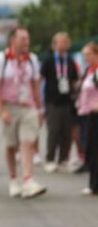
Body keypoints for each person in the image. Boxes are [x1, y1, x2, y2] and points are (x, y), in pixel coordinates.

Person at [0, 26, 46, 199]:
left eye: (27, 39)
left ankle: (28, 180)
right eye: (23, 39)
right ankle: (13, 180)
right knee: (11, 145)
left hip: (27, 106)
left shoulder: (32, 60)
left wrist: (39, 108)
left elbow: (36, 85)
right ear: (12, 40)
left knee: (28, 141)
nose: (26, 42)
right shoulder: (1, 59)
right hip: (9, 106)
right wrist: (1, 109)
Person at [41, 31, 80, 173]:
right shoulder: (49, 60)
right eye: (60, 42)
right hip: (52, 100)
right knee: (54, 129)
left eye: (65, 42)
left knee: (66, 130)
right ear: (54, 45)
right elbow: (40, 78)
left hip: (67, 100)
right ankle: (50, 158)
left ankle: (63, 158)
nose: (63, 45)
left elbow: (75, 79)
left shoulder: (70, 61)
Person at [77, 42, 98, 194]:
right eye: (84, 55)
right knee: (90, 148)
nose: (86, 58)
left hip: (95, 114)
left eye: (89, 54)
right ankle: (93, 184)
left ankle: (94, 185)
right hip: (87, 114)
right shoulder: (89, 71)